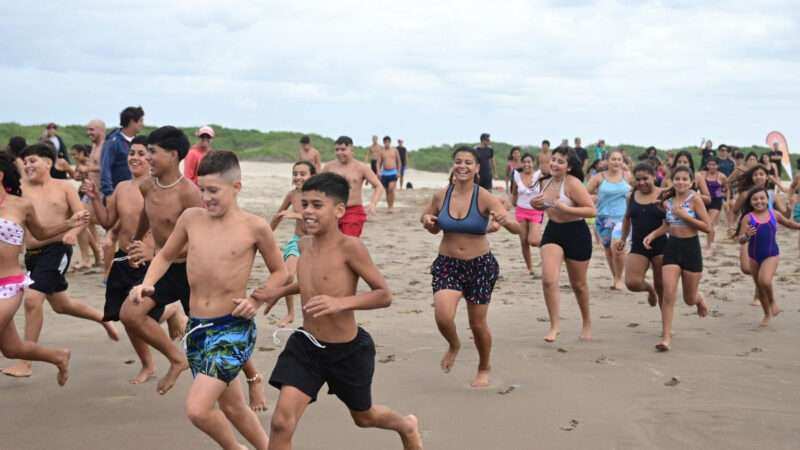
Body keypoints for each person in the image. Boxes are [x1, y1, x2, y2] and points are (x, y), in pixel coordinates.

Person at [131, 150, 287, 450]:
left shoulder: (254, 227)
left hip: (232, 328)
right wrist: (147, 283)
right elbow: (164, 255)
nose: (206, 197)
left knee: (198, 410)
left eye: (213, 190)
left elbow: (280, 273)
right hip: (197, 329)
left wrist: (255, 299)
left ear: (236, 187)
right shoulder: (191, 219)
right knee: (233, 408)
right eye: (202, 189)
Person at [257, 172, 422, 450]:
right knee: (281, 422)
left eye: (317, 205)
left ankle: (405, 425)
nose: (307, 211)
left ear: (339, 210)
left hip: (347, 350)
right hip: (306, 345)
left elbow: (384, 295)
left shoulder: (351, 247)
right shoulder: (303, 244)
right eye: (304, 204)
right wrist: (279, 291)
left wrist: (340, 302)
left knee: (364, 416)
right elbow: (311, 284)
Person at [119, 127, 268, 407]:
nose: (147, 157)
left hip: (192, 272)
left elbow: (205, 239)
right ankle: (177, 359)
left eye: (153, 151)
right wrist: (138, 239)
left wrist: (154, 249)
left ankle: (253, 378)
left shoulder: (190, 194)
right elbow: (148, 214)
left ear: (173, 154)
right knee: (130, 313)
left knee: (219, 326)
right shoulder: (147, 186)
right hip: (164, 267)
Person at [2, 144, 118, 378]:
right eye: (25, 162)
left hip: (55, 250)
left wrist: (72, 231)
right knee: (59, 306)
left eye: (33, 160)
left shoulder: (62, 187)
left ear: (48, 162)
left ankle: (26, 365)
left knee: (33, 299)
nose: (28, 165)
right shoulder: (21, 190)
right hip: (33, 254)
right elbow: (37, 233)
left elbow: (79, 217)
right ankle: (84, 333)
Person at [83, 136, 185, 384]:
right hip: (124, 259)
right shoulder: (121, 188)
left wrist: (153, 252)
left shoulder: (157, 188)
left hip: (152, 262)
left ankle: (171, 313)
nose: (135, 158)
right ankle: (147, 364)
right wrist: (95, 198)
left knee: (137, 315)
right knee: (124, 316)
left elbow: (171, 229)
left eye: (141, 153)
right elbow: (107, 221)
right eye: (132, 153)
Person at [421, 147, 519, 388]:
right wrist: (427, 221)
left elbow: (517, 229)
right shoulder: (441, 195)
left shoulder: (484, 196)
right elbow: (431, 224)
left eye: (468, 162)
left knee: (477, 324)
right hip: (447, 263)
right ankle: (454, 344)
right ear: (453, 166)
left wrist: (507, 221)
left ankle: (484, 366)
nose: (462, 166)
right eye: (458, 162)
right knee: (443, 315)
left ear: (477, 168)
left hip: (480, 265)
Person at [0, 152, 88, 386]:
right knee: (12, 348)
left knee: (35, 304)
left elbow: (41, 233)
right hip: (16, 271)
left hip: (8, 284)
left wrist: (69, 225)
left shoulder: (20, 205)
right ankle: (58, 356)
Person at [530, 147, 596, 342]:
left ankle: (586, 323)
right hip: (554, 232)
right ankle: (554, 326)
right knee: (549, 279)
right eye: (553, 159)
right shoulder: (544, 182)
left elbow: (591, 211)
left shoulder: (573, 184)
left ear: (568, 167)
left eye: (560, 161)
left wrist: (566, 208)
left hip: (576, 233)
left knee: (579, 284)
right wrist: (536, 206)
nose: (555, 164)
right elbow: (539, 209)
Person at [643, 166, 711, 352]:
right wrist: (653, 235)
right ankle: (666, 337)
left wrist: (684, 215)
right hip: (672, 247)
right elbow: (667, 225)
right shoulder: (668, 201)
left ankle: (699, 299)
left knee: (688, 298)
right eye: (677, 179)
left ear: (691, 182)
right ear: (672, 180)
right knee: (668, 293)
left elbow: (707, 227)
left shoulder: (695, 199)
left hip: (691, 249)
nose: (681, 182)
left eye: (684, 179)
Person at [736, 187, 800, 327]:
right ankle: (766, 314)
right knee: (759, 286)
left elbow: (789, 223)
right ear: (751, 202)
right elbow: (740, 240)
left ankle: (772, 302)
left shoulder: (774, 214)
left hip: (771, 254)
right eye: (755, 199)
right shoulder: (747, 218)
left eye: (762, 198)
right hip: (753, 256)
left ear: (767, 199)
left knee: (764, 281)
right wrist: (746, 235)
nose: (759, 201)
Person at [732, 164, 787, 306]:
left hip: (765, 235)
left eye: (762, 174)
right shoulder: (745, 194)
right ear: (752, 177)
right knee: (745, 268)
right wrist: (733, 226)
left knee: (761, 267)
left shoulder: (772, 195)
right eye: (755, 174)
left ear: (767, 177)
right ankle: (763, 279)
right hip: (748, 232)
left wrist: (788, 205)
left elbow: (784, 213)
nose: (758, 176)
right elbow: (735, 210)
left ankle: (759, 291)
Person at [270, 161, 316, 328]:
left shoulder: (318, 195)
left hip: (317, 243)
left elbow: (320, 218)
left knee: (315, 282)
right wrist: (265, 235)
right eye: (295, 174)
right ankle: (290, 313)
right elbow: (279, 215)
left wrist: (297, 215)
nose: (298, 177)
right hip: (298, 240)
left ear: (312, 176)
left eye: (302, 174)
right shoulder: (292, 195)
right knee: (287, 275)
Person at [617, 162, 665, 307]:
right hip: (638, 245)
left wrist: (654, 235)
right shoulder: (630, 196)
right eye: (638, 180)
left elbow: (670, 222)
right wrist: (623, 239)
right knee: (632, 283)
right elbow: (627, 218)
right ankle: (650, 291)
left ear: (654, 177)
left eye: (645, 179)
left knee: (661, 285)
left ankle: (666, 324)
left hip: (661, 244)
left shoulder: (664, 194)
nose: (642, 182)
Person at [586, 149, 631, 290]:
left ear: (622, 162)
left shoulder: (627, 176)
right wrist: (594, 199)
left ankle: (619, 279)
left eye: (619, 159)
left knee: (618, 246)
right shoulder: (599, 177)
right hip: (603, 218)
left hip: (622, 219)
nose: (616, 162)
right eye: (613, 159)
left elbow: (638, 190)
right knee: (609, 250)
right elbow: (585, 193)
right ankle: (616, 277)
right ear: (607, 161)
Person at [322, 136, 384, 237]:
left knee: (347, 244)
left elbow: (378, 186)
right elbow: (318, 186)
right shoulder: (329, 167)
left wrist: (373, 203)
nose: (339, 153)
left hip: (353, 211)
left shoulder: (361, 168)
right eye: (337, 150)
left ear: (351, 150)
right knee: (331, 243)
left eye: (343, 149)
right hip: (332, 211)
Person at [101, 106, 144, 197]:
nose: (142, 124)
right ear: (132, 121)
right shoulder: (113, 142)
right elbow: (105, 168)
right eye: (140, 121)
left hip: (134, 192)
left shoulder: (137, 142)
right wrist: (109, 194)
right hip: (117, 194)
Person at [512, 153, 544, 274]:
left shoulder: (539, 175)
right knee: (524, 241)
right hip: (521, 210)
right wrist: (510, 204)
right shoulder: (516, 176)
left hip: (535, 211)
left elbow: (544, 192)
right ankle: (530, 268)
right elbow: (514, 193)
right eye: (524, 162)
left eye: (529, 162)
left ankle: (549, 246)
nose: (527, 164)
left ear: (533, 163)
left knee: (533, 241)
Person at [698, 158, 727, 255]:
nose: (712, 166)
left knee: (709, 222)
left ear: (717, 166)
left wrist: (725, 196)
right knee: (710, 224)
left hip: (716, 201)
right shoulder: (702, 174)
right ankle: (712, 241)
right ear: (707, 165)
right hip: (704, 201)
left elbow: (726, 188)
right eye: (710, 164)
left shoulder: (722, 176)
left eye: (714, 164)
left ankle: (709, 246)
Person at [377, 136, 402, 210]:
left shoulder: (394, 150)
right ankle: (389, 206)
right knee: (387, 191)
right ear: (383, 143)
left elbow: (399, 162)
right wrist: (378, 171)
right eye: (385, 142)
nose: (386, 143)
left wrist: (398, 171)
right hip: (384, 173)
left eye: (388, 142)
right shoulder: (381, 151)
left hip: (393, 172)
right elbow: (378, 163)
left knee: (391, 189)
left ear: (390, 142)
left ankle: (391, 206)